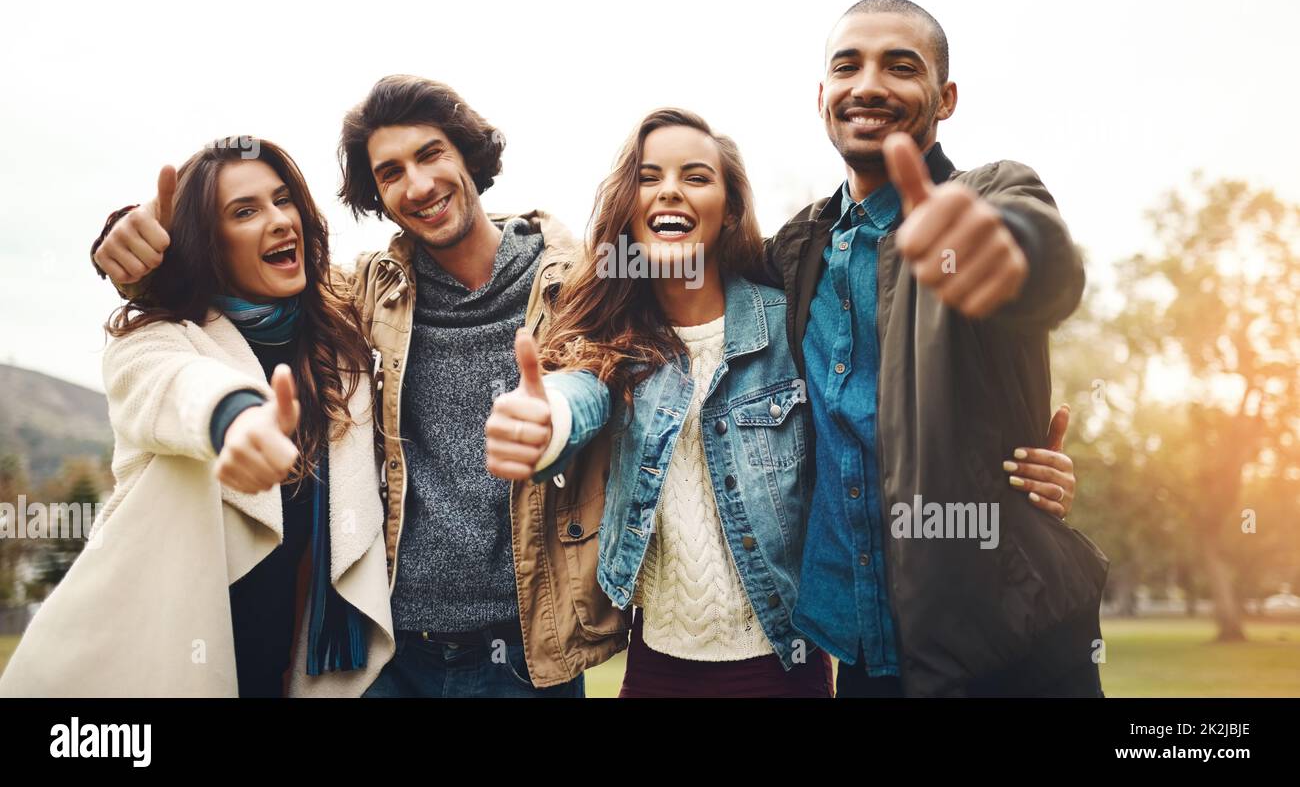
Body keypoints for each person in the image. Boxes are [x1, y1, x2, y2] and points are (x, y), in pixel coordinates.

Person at [485, 108, 1077, 697]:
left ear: (730, 211)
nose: (670, 190)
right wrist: (549, 421)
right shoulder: (613, 337)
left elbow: (878, 430)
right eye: (648, 177)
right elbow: (576, 393)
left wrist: (1013, 481)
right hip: (656, 669)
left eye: (696, 176)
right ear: (627, 209)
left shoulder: (793, 322)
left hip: (783, 665)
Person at [88, 77, 623, 697]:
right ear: (378, 195)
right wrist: (128, 246)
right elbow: (220, 306)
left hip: (528, 659)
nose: (418, 186)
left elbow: (601, 374)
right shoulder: (366, 296)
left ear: (469, 155)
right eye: (390, 172)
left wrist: (557, 413)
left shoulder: (578, 281)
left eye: (430, 154)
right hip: (393, 657)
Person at [762, 0, 1108, 696]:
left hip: (1012, 643)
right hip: (864, 658)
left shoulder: (989, 194)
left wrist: (1004, 249)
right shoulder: (794, 250)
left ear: (944, 97)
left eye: (900, 66)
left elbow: (1043, 257)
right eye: (847, 65)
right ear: (821, 95)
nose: (868, 85)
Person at [0, 139, 393, 697]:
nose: (280, 221)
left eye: (284, 200)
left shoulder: (339, 346)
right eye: (245, 211)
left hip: (292, 676)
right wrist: (237, 421)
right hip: (164, 672)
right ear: (208, 243)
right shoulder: (153, 342)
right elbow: (181, 389)